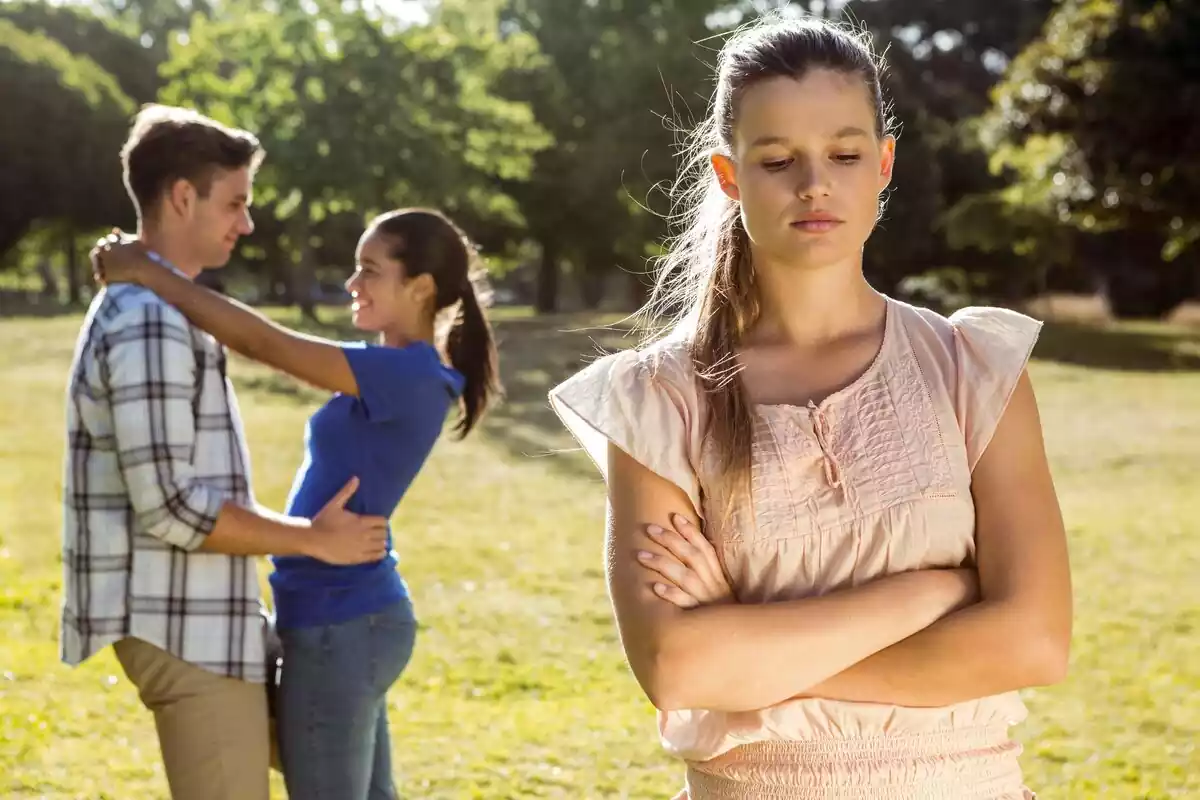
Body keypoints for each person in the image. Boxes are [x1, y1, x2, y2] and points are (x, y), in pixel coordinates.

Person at [548, 15, 1072, 800]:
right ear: (730, 176)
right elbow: (679, 668)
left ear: (884, 163)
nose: (814, 184)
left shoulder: (971, 367)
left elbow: (1034, 641)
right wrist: (936, 592)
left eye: (844, 154)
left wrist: (760, 670)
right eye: (778, 159)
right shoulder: (660, 397)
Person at [91, 204, 501, 799]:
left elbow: (265, 343)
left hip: (342, 622)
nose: (352, 283)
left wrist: (152, 273)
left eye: (370, 270)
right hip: (348, 616)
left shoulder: (407, 374)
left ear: (421, 287)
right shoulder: (398, 370)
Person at [62, 104, 389, 800]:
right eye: (234, 202)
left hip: (213, 619)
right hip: (182, 630)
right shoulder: (147, 324)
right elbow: (174, 508)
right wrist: (313, 541)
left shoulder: (164, 307)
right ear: (183, 196)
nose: (247, 223)